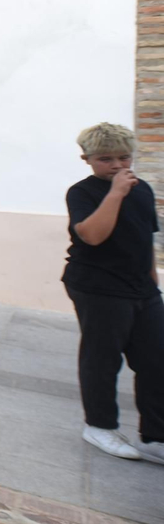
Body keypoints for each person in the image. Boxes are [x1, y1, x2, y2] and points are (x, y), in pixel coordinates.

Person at [61, 122, 164, 465]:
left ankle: (155, 436)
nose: (118, 165)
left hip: (141, 288)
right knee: (102, 357)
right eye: (107, 159)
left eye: (124, 157)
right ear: (87, 159)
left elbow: (144, 237)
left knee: (156, 359)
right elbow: (92, 235)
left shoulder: (143, 189)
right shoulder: (82, 192)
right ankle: (99, 426)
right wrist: (116, 193)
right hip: (97, 286)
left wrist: (152, 282)